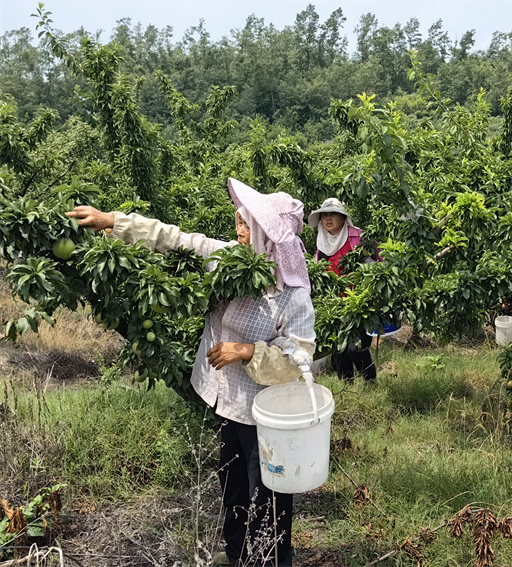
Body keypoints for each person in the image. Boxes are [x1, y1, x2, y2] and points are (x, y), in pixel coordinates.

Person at [68, 179, 314, 567]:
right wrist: (113, 221)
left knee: (268, 488)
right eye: (238, 220)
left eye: (246, 224)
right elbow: (180, 239)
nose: (238, 229)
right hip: (225, 400)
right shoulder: (231, 261)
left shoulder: (292, 291)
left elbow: (298, 355)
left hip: (263, 411)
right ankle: (236, 553)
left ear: (267, 235)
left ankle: (272, 558)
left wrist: (249, 351)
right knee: (232, 484)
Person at [308, 197, 379, 381]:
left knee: (355, 346)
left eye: (333, 214)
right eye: (324, 215)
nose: (328, 219)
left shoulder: (358, 237)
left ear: (343, 218)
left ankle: (369, 379)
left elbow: (375, 263)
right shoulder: (322, 242)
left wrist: (358, 276)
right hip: (333, 304)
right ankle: (346, 384)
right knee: (338, 347)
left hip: (358, 301)